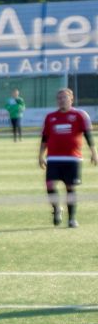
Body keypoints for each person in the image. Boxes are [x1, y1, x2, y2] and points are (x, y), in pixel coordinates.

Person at [38, 88, 98, 228]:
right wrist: (41, 155)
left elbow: (88, 135)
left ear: (71, 99)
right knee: (50, 185)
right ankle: (56, 209)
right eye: (59, 98)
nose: (61, 100)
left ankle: (72, 219)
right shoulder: (50, 117)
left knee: (70, 188)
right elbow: (45, 138)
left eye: (64, 97)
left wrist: (94, 152)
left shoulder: (80, 115)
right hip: (53, 158)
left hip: (73, 158)